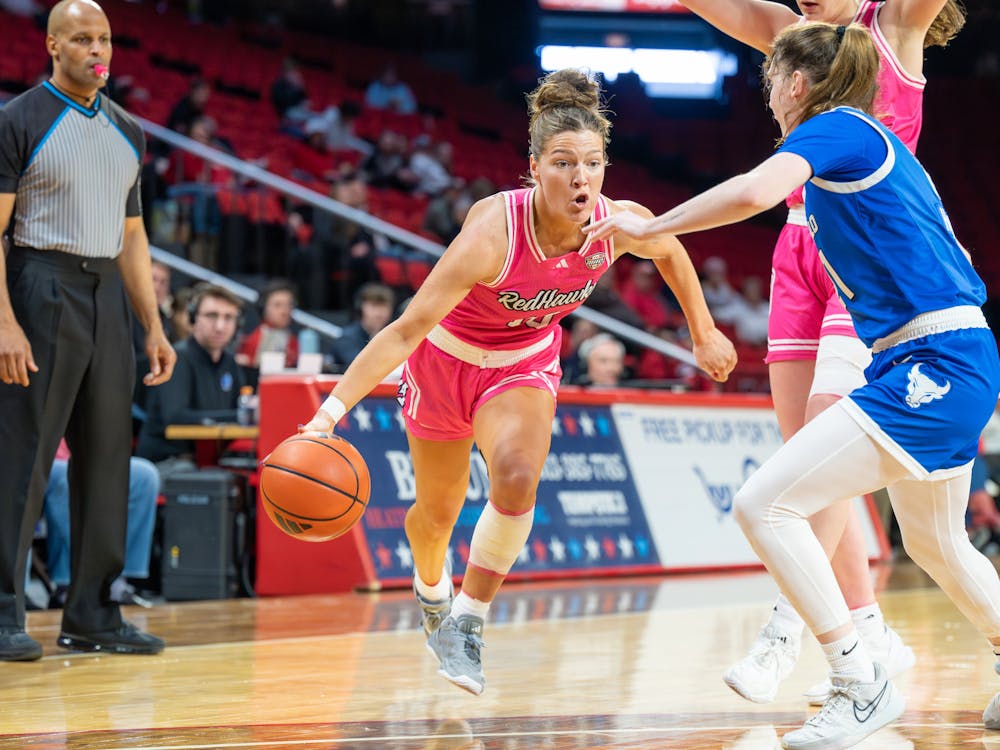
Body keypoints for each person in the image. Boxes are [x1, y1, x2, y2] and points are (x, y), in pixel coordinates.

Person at [585, 22, 1000, 748]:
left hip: (933, 361)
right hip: (942, 356)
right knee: (937, 545)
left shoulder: (837, 128)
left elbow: (752, 190)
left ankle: (858, 682)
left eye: (770, 78)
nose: (767, 92)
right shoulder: (870, 141)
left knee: (765, 503)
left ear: (798, 84)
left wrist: (647, 232)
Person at [300, 68, 737, 696]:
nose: (580, 177)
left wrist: (702, 332)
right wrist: (328, 414)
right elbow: (404, 332)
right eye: (563, 163)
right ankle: (431, 592)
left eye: (592, 163)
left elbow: (668, 249)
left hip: (523, 363)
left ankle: (468, 623)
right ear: (534, 168)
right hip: (445, 361)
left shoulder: (619, 223)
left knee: (516, 476)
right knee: (434, 515)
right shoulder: (491, 235)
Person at [671, 0, 965, 705]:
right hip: (798, 245)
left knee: (825, 434)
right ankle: (870, 632)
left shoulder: (893, 24)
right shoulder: (789, 31)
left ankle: (786, 628)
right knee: (804, 454)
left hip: (866, 251)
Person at [0, 0, 175, 661]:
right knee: (22, 460)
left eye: (103, 38)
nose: (96, 49)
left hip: (106, 293)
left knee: (106, 457)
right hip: (38, 283)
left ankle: (95, 614)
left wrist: (152, 326)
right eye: (81, 38)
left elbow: (133, 237)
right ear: (52, 45)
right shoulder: (18, 121)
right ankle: (2, 614)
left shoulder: (129, 130)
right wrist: (5, 321)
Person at [136, 284, 245, 474]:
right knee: (214, 481)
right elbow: (175, 417)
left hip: (206, 461)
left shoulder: (230, 363)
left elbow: (241, 409)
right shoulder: (177, 357)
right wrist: (239, 417)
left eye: (228, 318)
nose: (220, 326)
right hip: (166, 462)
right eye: (212, 316)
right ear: (193, 318)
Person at [44, 441, 158, 609]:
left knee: (144, 476)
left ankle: (116, 580)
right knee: (66, 476)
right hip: (37, 460)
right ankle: (69, 586)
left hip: (76, 453)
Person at [327, 281, 395, 370]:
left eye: (384, 306)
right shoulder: (348, 337)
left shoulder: (391, 337)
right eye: (374, 306)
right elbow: (359, 368)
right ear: (361, 307)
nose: (379, 313)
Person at [236, 280, 299, 370]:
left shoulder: (294, 342)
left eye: (289, 305)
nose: (285, 311)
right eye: (277, 305)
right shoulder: (251, 341)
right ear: (264, 307)